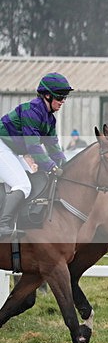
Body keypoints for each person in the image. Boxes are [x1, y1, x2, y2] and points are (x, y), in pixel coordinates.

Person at [0, 72, 70, 237]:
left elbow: (53, 147)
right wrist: (52, 167)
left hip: (12, 149)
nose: (63, 101)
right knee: (23, 185)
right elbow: (33, 147)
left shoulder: (49, 119)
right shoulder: (31, 111)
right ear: (47, 95)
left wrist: (66, 166)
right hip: (2, 145)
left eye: (65, 97)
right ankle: (3, 226)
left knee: (36, 177)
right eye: (60, 97)